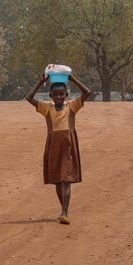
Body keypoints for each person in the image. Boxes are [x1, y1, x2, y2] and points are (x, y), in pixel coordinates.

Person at [26, 73, 91, 225]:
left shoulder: (72, 107)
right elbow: (29, 98)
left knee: (66, 180)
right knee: (57, 180)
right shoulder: (46, 108)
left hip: (68, 145)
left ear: (66, 95)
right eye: (55, 95)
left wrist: (73, 79)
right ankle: (64, 209)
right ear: (50, 96)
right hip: (53, 145)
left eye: (62, 94)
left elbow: (87, 93)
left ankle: (64, 212)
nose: (59, 97)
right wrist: (40, 81)